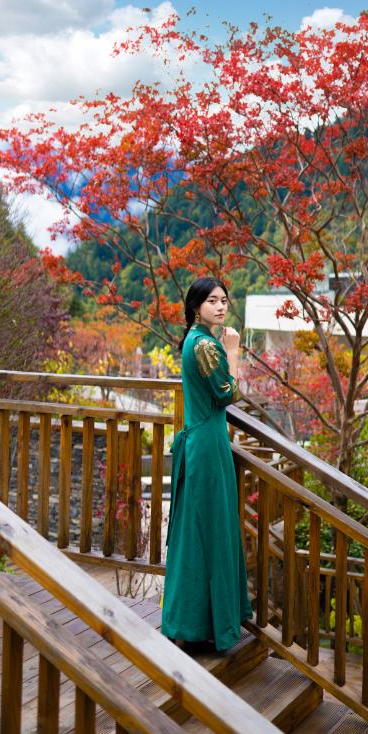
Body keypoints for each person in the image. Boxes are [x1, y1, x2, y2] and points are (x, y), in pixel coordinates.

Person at [161, 277, 252, 652]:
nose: (220, 306)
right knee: (209, 532)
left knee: (200, 531)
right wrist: (234, 351)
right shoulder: (205, 346)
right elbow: (229, 393)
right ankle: (201, 625)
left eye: (224, 300)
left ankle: (196, 622)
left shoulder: (197, 341)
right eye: (212, 300)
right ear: (195, 306)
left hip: (203, 442)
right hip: (207, 445)